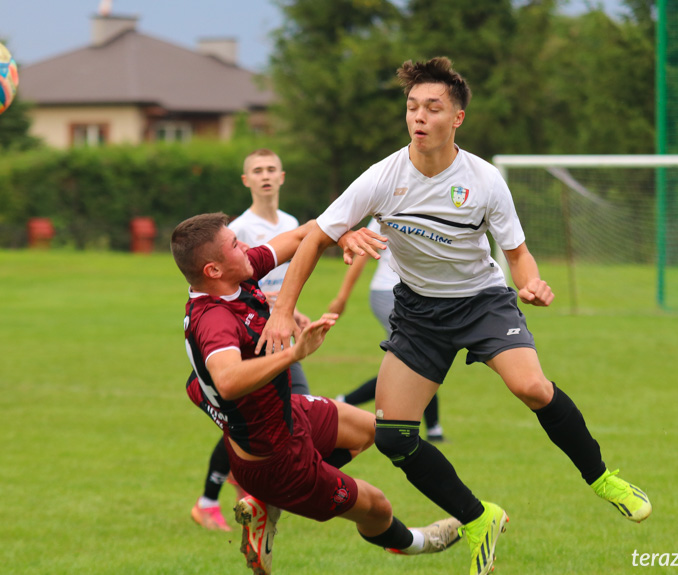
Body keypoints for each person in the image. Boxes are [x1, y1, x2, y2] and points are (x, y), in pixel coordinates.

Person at [258, 57, 652, 575]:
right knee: (394, 437)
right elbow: (315, 238)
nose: (418, 117)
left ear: (457, 118)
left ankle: (603, 478)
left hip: (482, 302)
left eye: (433, 108)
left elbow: (517, 254)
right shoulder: (382, 177)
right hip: (419, 313)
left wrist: (530, 282)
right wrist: (282, 310)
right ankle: (477, 517)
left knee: (531, 388)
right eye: (412, 107)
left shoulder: (484, 180)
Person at [171, 213, 462, 575]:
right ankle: (416, 543)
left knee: (377, 430)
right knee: (378, 507)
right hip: (275, 461)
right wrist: (294, 353)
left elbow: (303, 235)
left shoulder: (237, 276)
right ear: (213, 270)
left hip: (287, 415)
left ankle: (266, 505)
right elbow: (227, 380)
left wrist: (341, 235)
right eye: (234, 244)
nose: (245, 245)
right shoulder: (213, 318)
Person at [190, 149, 312, 531]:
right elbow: (236, 290)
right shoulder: (237, 231)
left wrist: (288, 312)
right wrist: (273, 307)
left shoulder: (291, 222)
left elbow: (279, 284)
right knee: (259, 421)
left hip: (274, 333)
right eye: (256, 170)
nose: (264, 175)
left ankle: (251, 497)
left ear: (282, 176)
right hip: (246, 340)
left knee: (261, 422)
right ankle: (233, 497)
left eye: (271, 169)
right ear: (246, 180)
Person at [328, 218, 444, 442]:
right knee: (418, 356)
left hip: (417, 296)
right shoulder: (387, 207)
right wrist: (342, 297)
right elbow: (360, 256)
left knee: (418, 358)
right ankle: (344, 404)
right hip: (387, 293)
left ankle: (433, 429)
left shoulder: (433, 204)